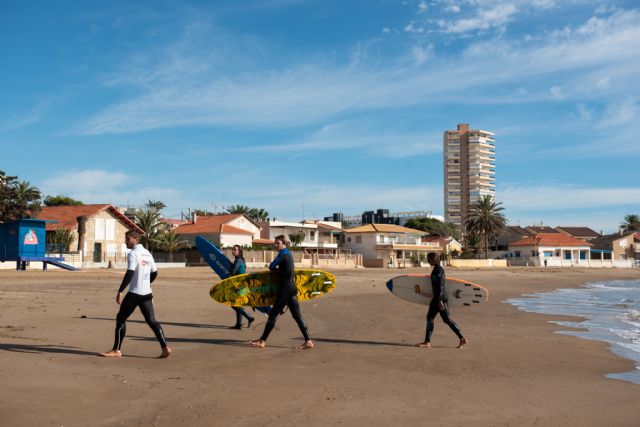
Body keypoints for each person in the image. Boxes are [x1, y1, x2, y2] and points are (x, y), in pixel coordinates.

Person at [99, 230, 171, 358]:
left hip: (134, 293)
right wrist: (147, 284)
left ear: (135, 239)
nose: (125, 241)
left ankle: (116, 350)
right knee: (152, 321)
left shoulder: (133, 254)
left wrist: (120, 291)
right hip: (147, 293)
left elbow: (130, 273)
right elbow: (155, 273)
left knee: (121, 318)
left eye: (127, 239)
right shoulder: (148, 253)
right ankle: (165, 347)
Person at [249, 235, 313, 349]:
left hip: (286, 289)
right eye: (275, 243)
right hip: (292, 288)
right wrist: (280, 270)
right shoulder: (288, 253)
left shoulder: (283, 254)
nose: (276, 245)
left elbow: (271, 266)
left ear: (284, 243)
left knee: (273, 314)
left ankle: (262, 340)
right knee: (297, 316)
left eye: (278, 243)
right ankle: (308, 341)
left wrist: (277, 269)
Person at [416, 252, 467, 349]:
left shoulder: (438, 270)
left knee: (430, 318)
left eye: (429, 259)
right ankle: (462, 338)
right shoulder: (437, 269)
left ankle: (427, 342)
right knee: (447, 319)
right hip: (440, 297)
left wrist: (439, 301)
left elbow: (440, 286)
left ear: (432, 260)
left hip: (439, 298)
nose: (428, 261)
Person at [229, 245, 255, 329]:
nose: (233, 251)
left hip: (241, 286)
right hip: (244, 286)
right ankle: (238, 324)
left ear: (239, 251)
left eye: (235, 250)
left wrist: (230, 266)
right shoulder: (241, 260)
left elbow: (233, 272)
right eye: (232, 249)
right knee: (238, 304)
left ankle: (249, 317)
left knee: (233, 304)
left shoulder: (238, 261)